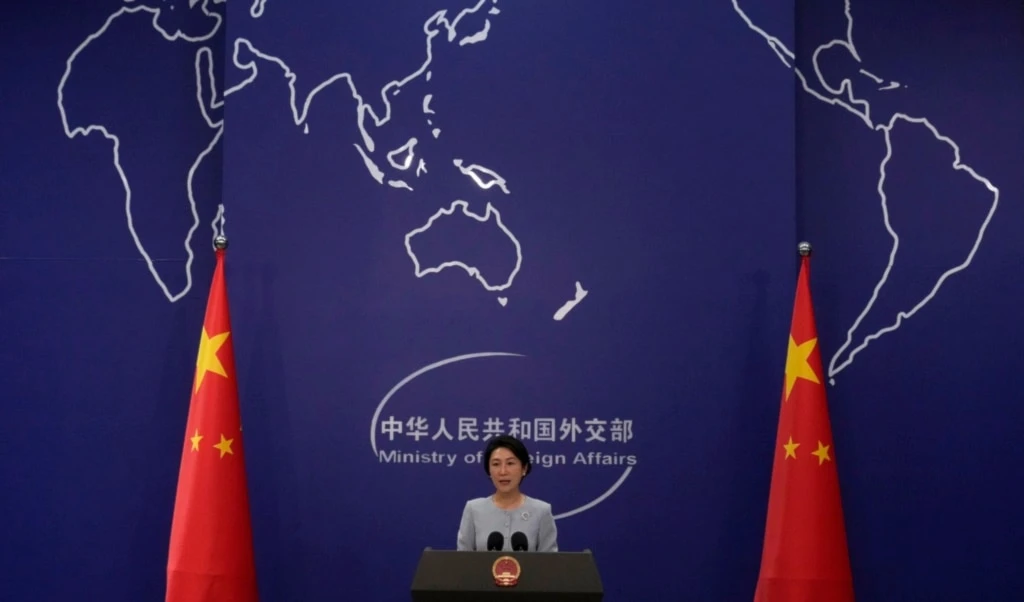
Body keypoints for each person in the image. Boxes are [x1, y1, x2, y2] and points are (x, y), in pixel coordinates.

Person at [456, 434, 558, 552]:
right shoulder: (473, 509)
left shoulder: (542, 511)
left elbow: (550, 565)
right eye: (496, 464)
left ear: (524, 468)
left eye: (510, 463)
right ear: (489, 470)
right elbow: (462, 562)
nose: (503, 471)